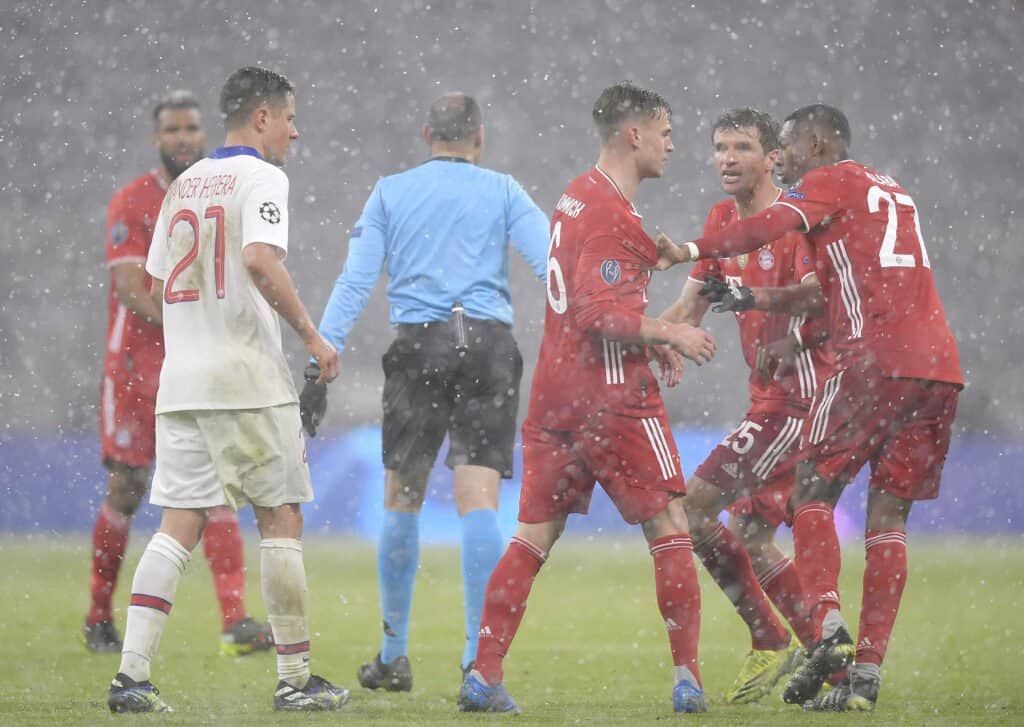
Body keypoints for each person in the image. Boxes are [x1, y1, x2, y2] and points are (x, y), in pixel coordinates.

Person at [656, 103, 962, 712]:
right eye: (723, 148)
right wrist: (671, 325)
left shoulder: (817, 192)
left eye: (783, 148)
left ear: (815, 143)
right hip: (936, 367)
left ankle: (821, 632)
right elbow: (843, 284)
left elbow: (780, 251)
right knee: (883, 521)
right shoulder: (890, 189)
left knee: (804, 497)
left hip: (852, 372)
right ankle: (862, 677)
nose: (783, 162)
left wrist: (687, 248)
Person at [457, 82, 717, 715]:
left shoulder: (575, 196)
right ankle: (689, 678)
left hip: (555, 398)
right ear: (634, 134)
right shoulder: (612, 214)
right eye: (663, 130)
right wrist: (672, 331)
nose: (671, 143)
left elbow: (585, 303)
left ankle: (484, 672)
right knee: (670, 527)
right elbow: (599, 310)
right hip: (613, 400)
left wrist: (646, 336)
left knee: (532, 538)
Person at [106, 66, 347, 713]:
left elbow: (156, 286)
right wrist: (313, 337)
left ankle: (131, 676)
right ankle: (295, 680)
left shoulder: (182, 184)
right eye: (290, 117)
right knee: (281, 515)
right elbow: (260, 258)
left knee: (177, 524)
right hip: (246, 376)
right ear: (262, 117)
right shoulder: (264, 177)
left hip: (181, 382)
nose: (295, 132)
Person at [300, 92, 551, 691]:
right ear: (480, 137)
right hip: (489, 345)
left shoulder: (391, 191)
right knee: (480, 499)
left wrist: (320, 357)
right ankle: (476, 659)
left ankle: (393, 655)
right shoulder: (505, 190)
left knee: (403, 495)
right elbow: (553, 265)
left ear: (426, 133)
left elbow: (356, 278)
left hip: (421, 346)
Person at [90, 90, 271, 657]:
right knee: (127, 489)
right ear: (156, 138)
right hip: (136, 371)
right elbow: (131, 289)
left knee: (216, 484)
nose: (184, 138)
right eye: (172, 130)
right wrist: (193, 320)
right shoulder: (132, 202)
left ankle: (235, 620)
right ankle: (98, 615)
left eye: (192, 128)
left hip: (195, 366)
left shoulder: (213, 194)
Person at [659, 108, 830, 704]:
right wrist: (641, 336)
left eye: (741, 147)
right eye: (719, 147)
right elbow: (687, 309)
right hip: (770, 402)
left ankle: (767, 637)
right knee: (752, 535)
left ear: (773, 158)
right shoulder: (721, 222)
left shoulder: (794, 221)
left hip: (798, 402)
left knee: (693, 510)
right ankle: (829, 664)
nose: (727, 158)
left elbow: (820, 294)